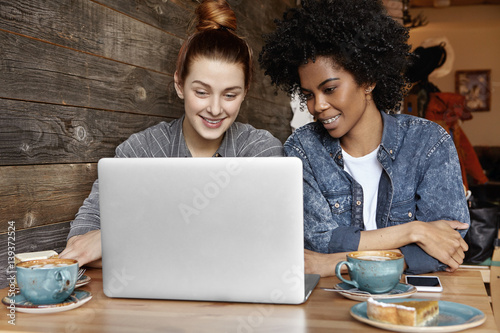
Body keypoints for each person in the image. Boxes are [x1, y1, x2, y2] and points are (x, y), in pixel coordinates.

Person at [60, 0, 283, 267]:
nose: (214, 109)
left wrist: (119, 239)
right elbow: (81, 241)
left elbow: (269, 246)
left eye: (230, 95)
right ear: (179, 85)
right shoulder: (140, 151)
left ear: (245, 92)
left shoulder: (262, 151)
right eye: (201, 92)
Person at [259, 0, 469, 276]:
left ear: (368, 80)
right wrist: (414, 231)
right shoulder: (303, 149)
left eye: (330, 89)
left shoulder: (428, 143)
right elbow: (318, 241)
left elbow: (450, 246)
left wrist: (333, 263)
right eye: (309, 94)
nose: (317, 106)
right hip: (330, 306)